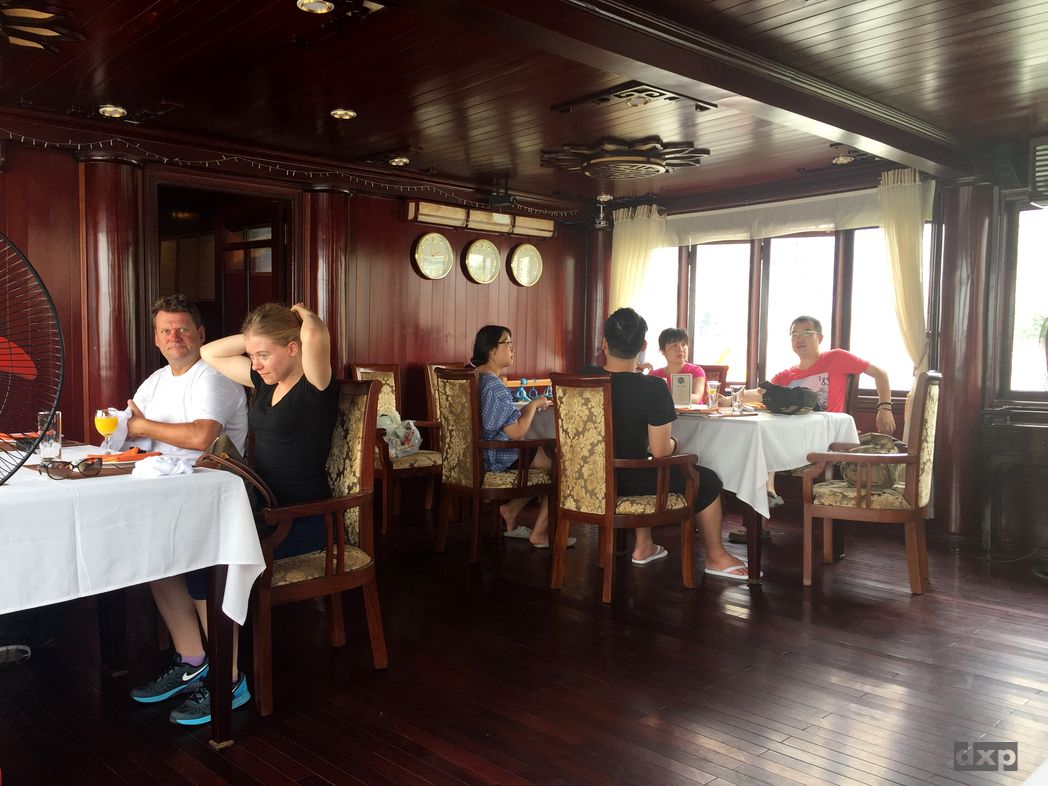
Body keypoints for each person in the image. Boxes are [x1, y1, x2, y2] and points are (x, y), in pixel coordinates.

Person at [124, 294, 251, 725]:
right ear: (156, 338)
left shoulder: (213, 377)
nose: (174, 337)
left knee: (200, 568)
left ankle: (229, 680)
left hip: (219, 497)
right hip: (172, 494)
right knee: (151, 556)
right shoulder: (155, 381)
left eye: (182, 329)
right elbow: (127, 435)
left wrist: (141, 426)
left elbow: (202, 437)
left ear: (201, 334)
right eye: (165, 330)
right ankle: (192, 660)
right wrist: (128, 430)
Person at [581, 308, 749, 578]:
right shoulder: (653, 387)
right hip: (629, 482)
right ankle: (716, 557)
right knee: (706, 480)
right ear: (643, 347)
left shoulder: (583, 377)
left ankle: (645, 545)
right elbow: (660, 451)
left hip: (585, 479)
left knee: (641, 461)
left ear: (604, 344)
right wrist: (675, 443)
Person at [729, 314, 897, 543]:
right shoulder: (786, 375)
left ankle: (767, 496)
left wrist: (885, 407)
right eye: (794, 334)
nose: (800, 338)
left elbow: (880, 373)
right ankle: (759, 523)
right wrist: (728, 398)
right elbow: (759, 393)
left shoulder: (836, 358)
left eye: (806, 333)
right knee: (756, 445)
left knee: (763, 447)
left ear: (820, 338)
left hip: (824, 440)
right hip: (793, 440)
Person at [471, 325, 570, 549]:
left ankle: (511, 510)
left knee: (545, 459)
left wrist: (528, 407)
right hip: (498, 458)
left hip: (480, 455)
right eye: (507, 343)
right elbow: (517, 433)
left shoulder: (477, 378)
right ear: (491, 350)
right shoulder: (494, 386)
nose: (512, 348)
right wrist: (534, 404)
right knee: (562, 465)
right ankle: (540, 533)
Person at [650, 327, 707, 403]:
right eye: (674, 345)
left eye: (683, 344)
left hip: (692, 411)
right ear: (663, 351)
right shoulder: (654, 375)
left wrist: (663, 399)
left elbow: (697, 398)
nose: (680, 349)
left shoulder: (696, 371)